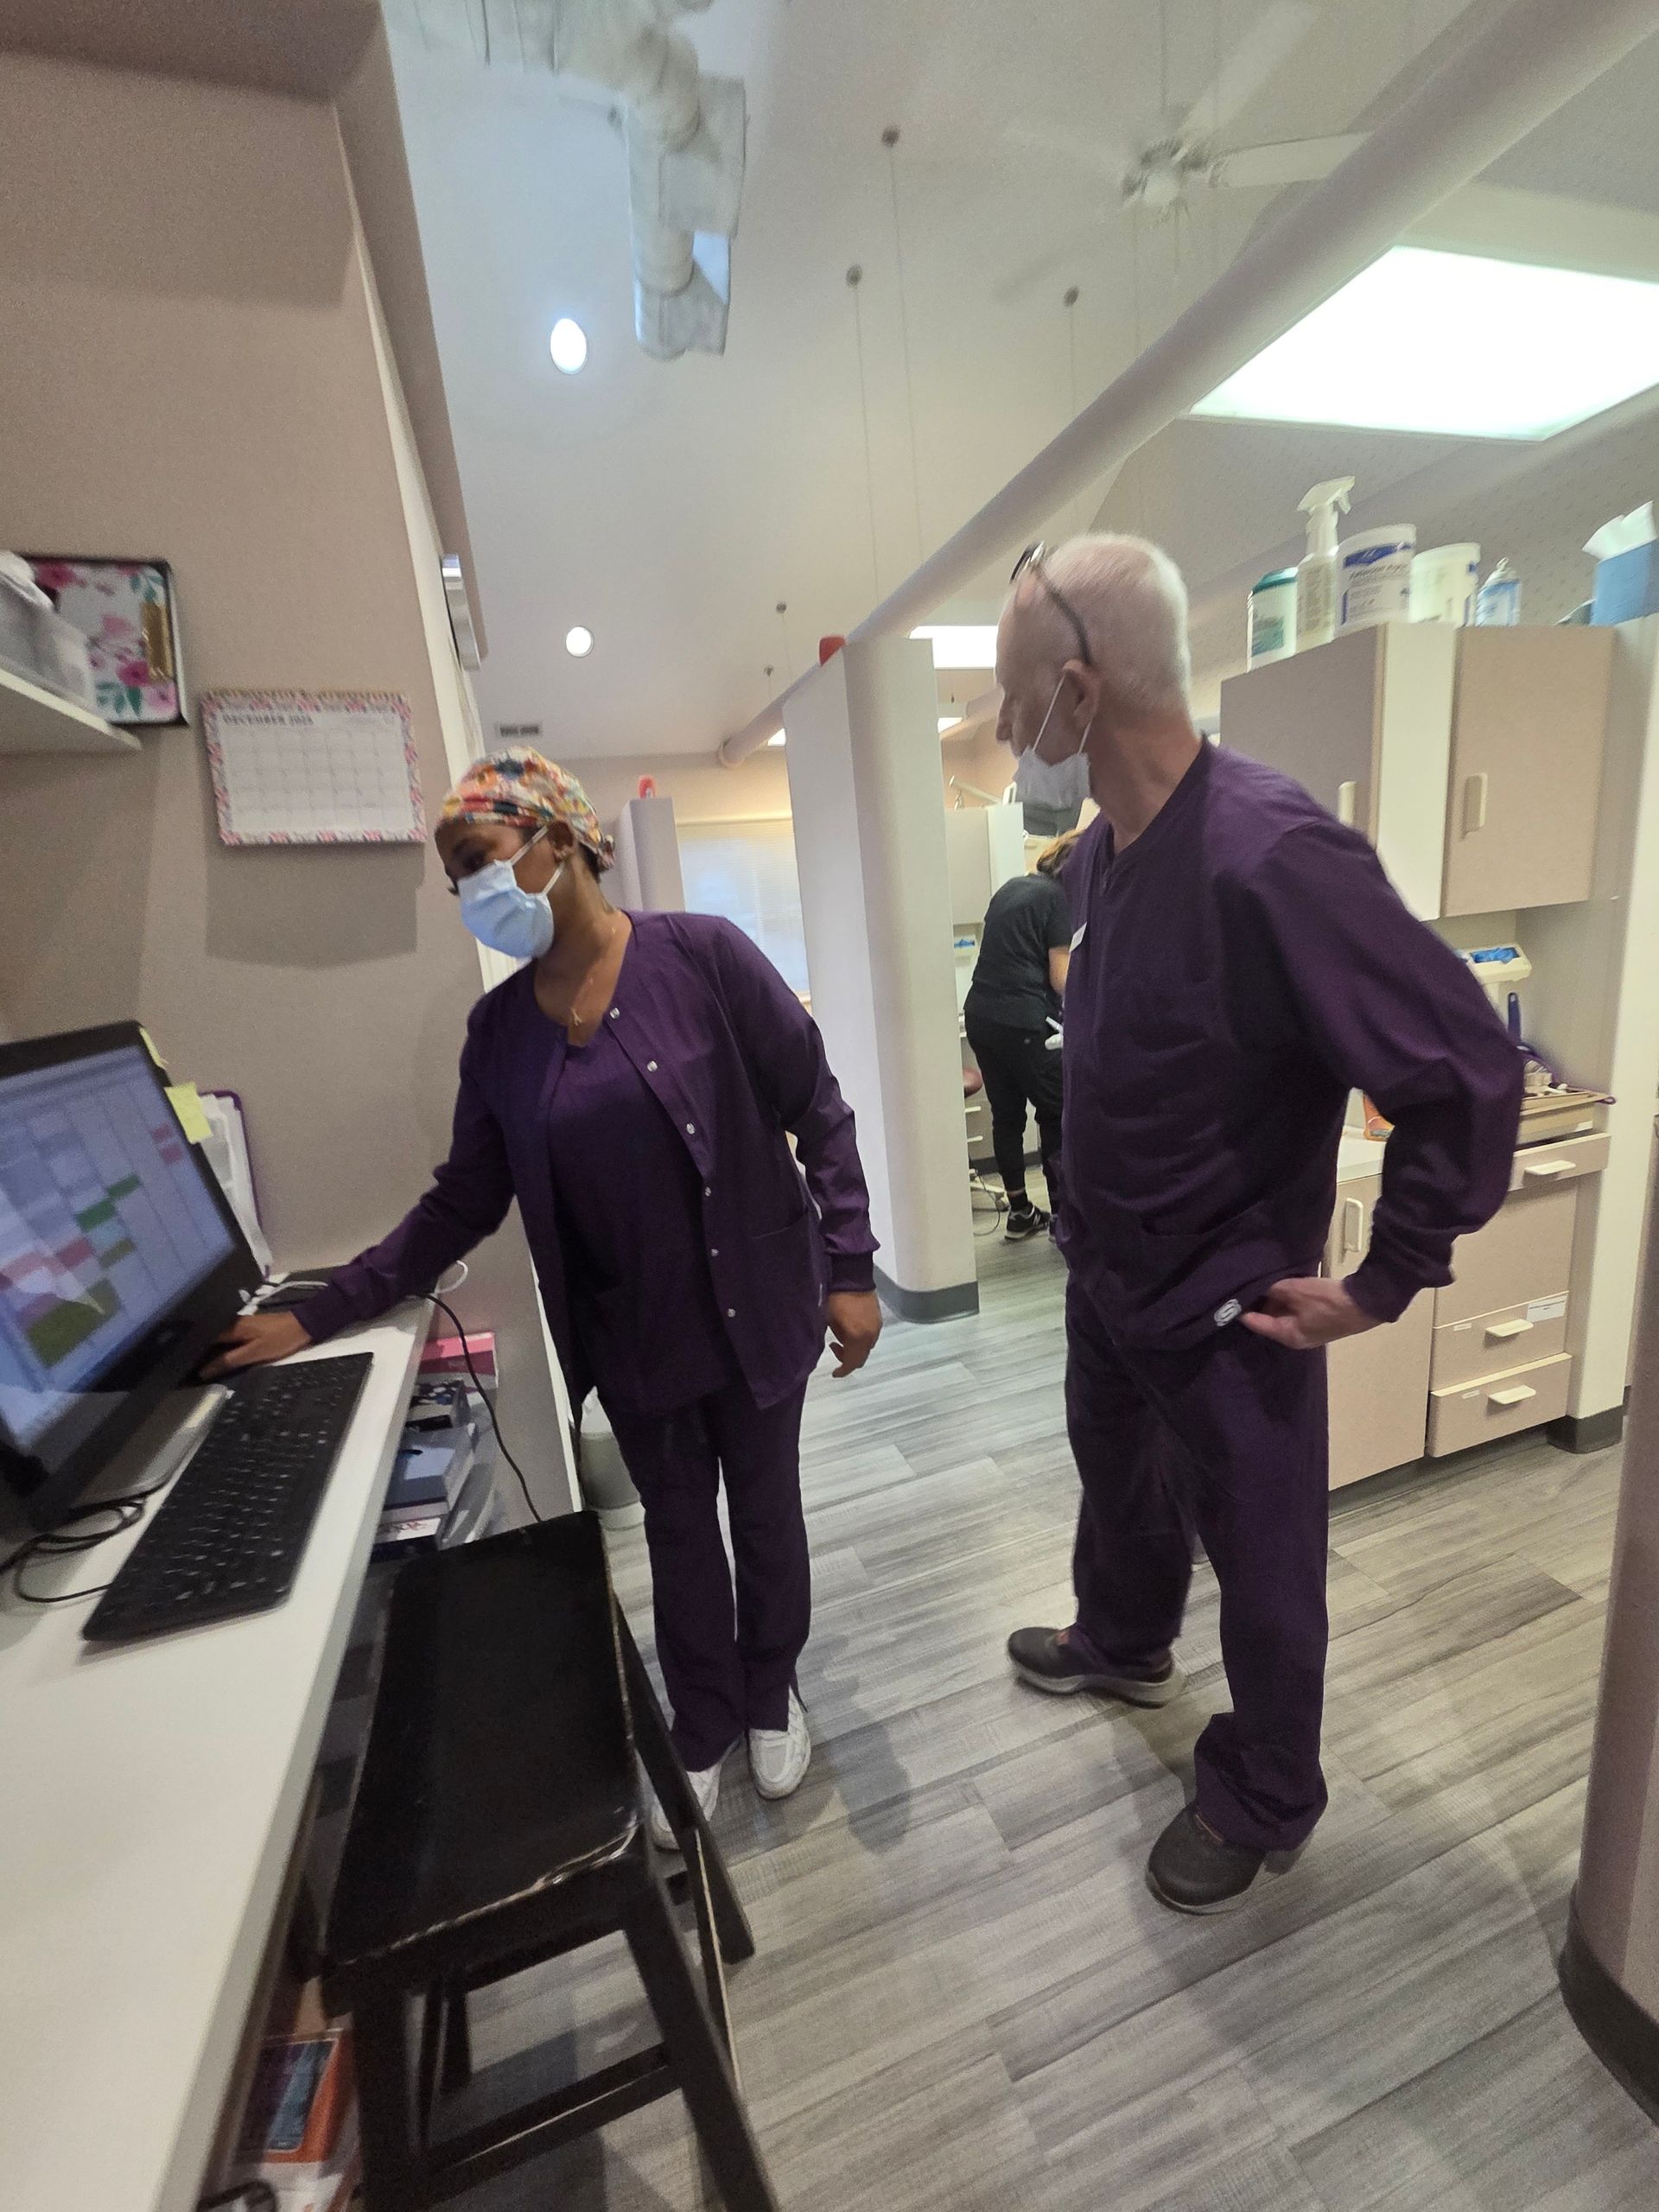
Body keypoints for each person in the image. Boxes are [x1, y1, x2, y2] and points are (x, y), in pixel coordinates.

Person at [212, 749, 882, 1841]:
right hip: (636, 1333)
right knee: (676, 1530)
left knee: (765, 1515)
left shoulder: (703, 956)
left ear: (556, 843)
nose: (469, 893)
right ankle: (703, 1714)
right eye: (455, 875)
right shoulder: (502, 1036)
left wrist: (849, 1268)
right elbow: (459, 1203)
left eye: (477, 859)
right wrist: (321, 1308)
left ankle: (773, 1691)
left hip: (758, 1303)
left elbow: (819, 1106)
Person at [996, 537, 1522, 1914]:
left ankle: (1267, 1790)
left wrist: (1388, 1276)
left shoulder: (1274, 852)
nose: (1005, 735)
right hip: (1112, 1276)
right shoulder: (1108, 854)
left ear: (1075, 690)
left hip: (1235, 1308)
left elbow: (1463, 1065)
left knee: (1269, 1564)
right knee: (1114, 1482)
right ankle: (1124, 1638)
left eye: (1009, 704)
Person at [963, 835, 1077, 1239]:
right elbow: (1062, 980)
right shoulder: (1058, 901)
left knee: (1006, 1115)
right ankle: (1064, 1218)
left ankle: (1020, 1213)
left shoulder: (1011, 887)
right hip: (1026, 1024)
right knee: (1056, 1115)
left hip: (981, 1016)